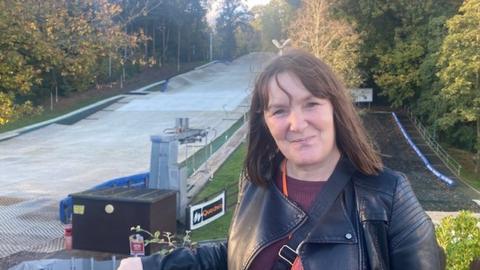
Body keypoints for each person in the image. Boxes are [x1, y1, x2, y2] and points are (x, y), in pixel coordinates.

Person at [118, 49, 445, 270]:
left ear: (335, 108)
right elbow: (239, 252)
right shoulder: (257, 182)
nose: (296, 123)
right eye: (280, 110)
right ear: (265, 119)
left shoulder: (388, 195)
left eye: (311, 104)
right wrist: (150, 265)